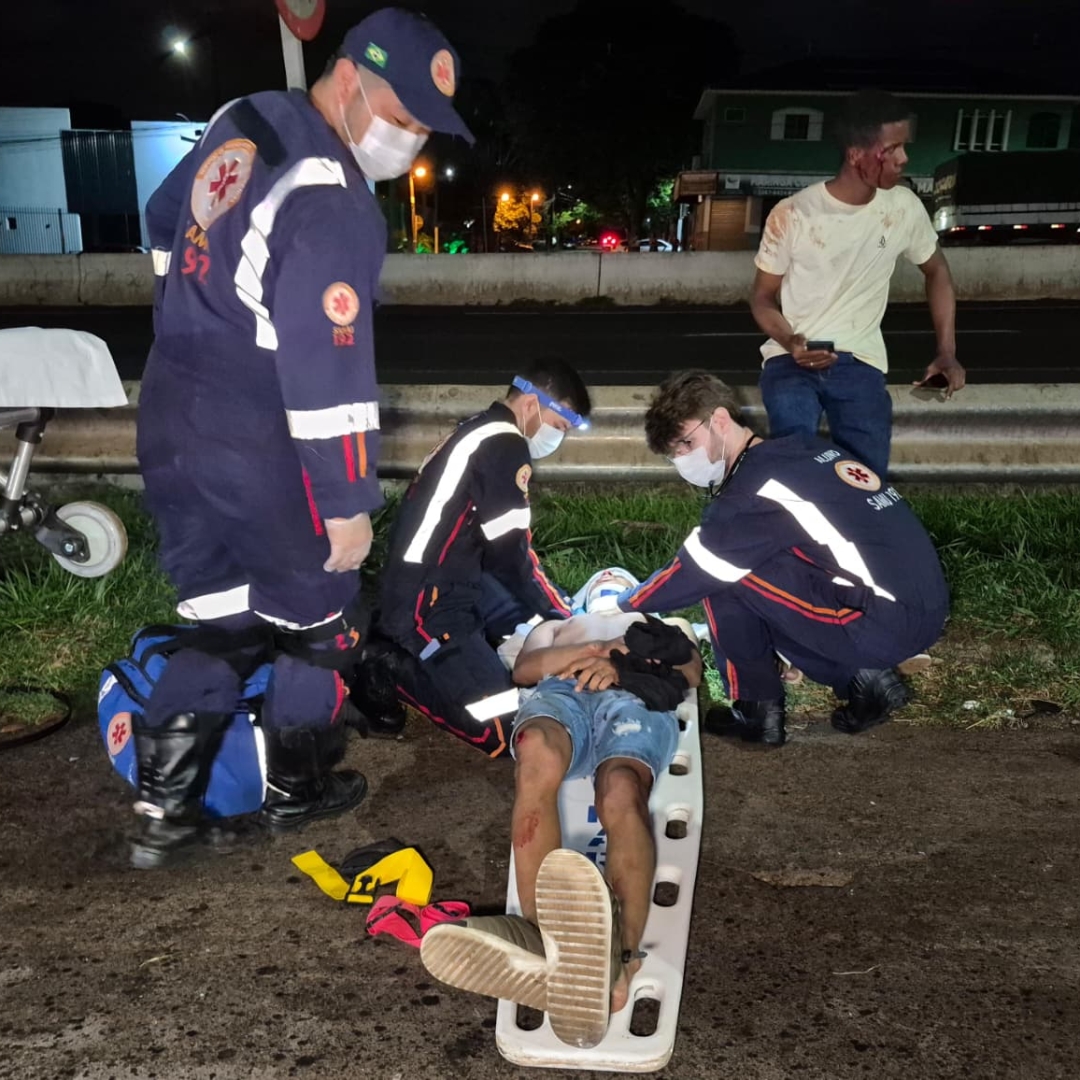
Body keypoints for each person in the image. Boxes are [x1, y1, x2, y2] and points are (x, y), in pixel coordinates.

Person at [130, 8, 474, 869]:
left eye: (424, 132)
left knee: (215, 623)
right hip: (263, 436)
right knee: (321, 625)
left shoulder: (244, 117)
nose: (411, 146)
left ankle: (161, 815)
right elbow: (328, 374)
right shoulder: (335, 200)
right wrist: (350, 508)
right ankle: (297, 791)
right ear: (351, 79)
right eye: (401, 121)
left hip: (173, 415)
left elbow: (164, 212)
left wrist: (193, 310)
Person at [419, 571, 702, 1049]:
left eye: (619, 579)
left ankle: (621, 959)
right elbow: (526, 671)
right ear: (584, 596)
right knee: (535, 759)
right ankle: (541, 944)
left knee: (619, 789)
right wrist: (593, 650)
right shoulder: (555, 624)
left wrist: (622, 664)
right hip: (561, 695)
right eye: (602, 580)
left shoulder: (652, 623)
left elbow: (691, 672)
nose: (609, 581)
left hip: (632, 697)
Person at [616, 369, 950, 748]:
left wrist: (623, 605)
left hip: (883, 624)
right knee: (748, 568)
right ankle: (863, 677)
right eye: (673, 455)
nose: (682, 459)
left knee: (723, 576)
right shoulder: (804, 451)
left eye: (685, 444)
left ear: (720, 421)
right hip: (924, 611)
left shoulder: (751, 489)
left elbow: (691, 573)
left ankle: (757, 711)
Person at [366, 359, 590, 758]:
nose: (557, 438)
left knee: (520, 622)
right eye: (559, 426)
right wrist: (562, 611)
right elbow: (510, 554)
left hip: (441, 581)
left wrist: (549, 611)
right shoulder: (506, 443)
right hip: (430, 602)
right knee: (506, 731)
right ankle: (387, 665)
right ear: (531, 404)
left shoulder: (478, 429)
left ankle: (429, 649)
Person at [749, 89, 966, 478]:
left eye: (904, 147)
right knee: (793, 456)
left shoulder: (902, 207)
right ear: (856, 155)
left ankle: (862, 533)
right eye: (893, 149)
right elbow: (763, 298)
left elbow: (938, 272)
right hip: (789, 361)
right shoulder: (793, 213)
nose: (904, 159)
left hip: (861, 362)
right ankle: (792, 532)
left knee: (866, 474)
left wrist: (946, 351)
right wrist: (791, 342)